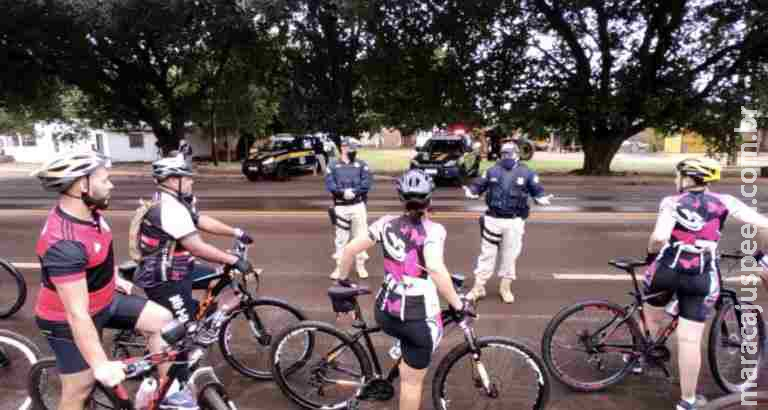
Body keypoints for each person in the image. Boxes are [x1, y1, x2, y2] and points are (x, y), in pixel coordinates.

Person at [30, 152, 175, 410]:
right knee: (79, 389)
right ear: (80, 185)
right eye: (104, 179)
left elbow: (98, 255)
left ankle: (170, 395)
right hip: (65, 319)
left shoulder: (90, 211)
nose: (111, 185)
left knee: (162, 321)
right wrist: (100, 364)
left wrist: (114, 276)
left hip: (104, 300)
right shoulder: (64, 244)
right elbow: (77, 314)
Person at [335, 169, 473, 410]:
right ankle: (405, 352)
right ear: (430, 199)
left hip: (385, 310)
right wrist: (459, 305)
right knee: (411, 383)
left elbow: (348, 251)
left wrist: (343, 282)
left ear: (401, 198)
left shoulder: (385, 223)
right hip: (415, 317)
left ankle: (401, 348)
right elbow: (435, 269)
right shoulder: (434, 231)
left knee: (406, 340)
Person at [643, 158, 768, 410]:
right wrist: (761, 253)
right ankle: (687, 401)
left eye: (677, 175)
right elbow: (763, 223)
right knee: (689, 340)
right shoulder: (725, 202)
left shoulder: (671, 202)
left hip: (666, 270)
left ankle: (642, 356)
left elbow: (659, 238)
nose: (674, 179)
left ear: (688, 177)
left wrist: (650, 253)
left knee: (651, 315)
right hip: (700, 275)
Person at [133, 155, 254, 326]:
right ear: (173, 180)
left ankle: (203, 317)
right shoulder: (170, 209)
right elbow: (197, 248)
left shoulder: (172, 199)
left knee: (220, 278)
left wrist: (236, 232)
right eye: (187, 177)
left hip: (180, 268)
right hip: (164, 279)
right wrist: (234, 260)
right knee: (184, 332)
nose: (191, 182)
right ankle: (184, 333)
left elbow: (200, 220)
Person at [463, 142, 552, 303]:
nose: (507, 157)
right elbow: (478, 186)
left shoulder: (527, 173)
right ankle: (478, 288)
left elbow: (537, 191)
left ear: (517, 154)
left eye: (510, 154)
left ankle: (505, 287)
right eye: (504, 154)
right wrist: (472, 192)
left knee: (510, 256)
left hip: (514, 221)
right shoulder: (491, 171)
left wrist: (541, 198)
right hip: (493, 219)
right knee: (486, 255)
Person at [326, 137, 372, 279]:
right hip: (341, 206)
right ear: (343, 148)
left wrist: (354, 193)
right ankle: (340, 267)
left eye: (354, 149)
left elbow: (366, 183)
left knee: (361, 236)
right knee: (341, 238)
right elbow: (330, 184)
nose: (353, 151)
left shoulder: (362, 164)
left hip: (358, 205)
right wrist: (342, 193)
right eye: (350, 148)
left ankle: (360, 266)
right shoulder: (333, 165)